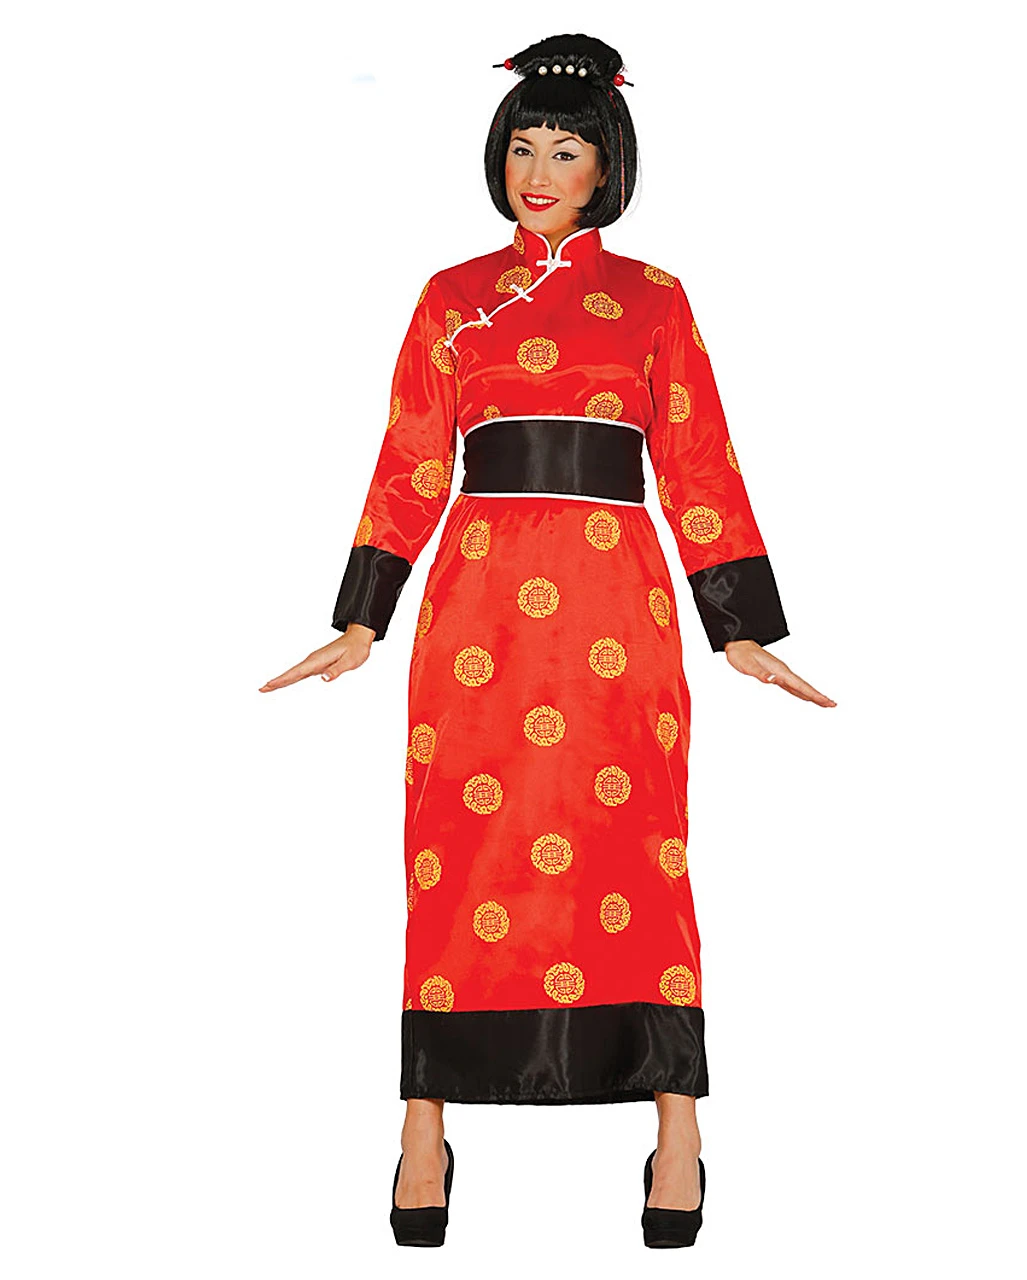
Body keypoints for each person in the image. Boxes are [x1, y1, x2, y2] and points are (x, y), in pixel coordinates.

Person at [260, 32, 836, 1248]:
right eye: (522, 147)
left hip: (616, 607)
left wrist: (740, 627)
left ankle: (676, 1124)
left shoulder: (656, 299)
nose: (538, 172)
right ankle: (424, 1120)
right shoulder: (450, 296)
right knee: (456, 846)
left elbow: (697, 461)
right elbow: (412, 460)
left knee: (642, 842)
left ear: (604, 166)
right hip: (478, 605)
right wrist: (362, 614)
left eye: (565, 151)